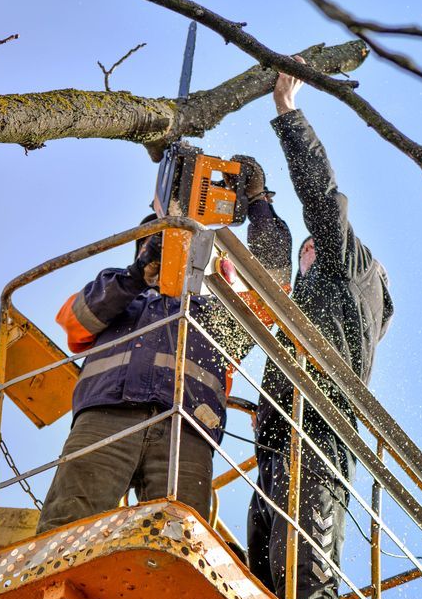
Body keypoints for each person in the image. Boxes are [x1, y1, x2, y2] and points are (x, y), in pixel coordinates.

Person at [36, 163, 291, 534]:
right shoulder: (117, 294)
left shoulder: (218, 314)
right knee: (68, 528)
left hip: (185, 426)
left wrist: (258, 203)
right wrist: (137, 276)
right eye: (159, 243)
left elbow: (273, 288)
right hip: (108, 414)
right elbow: (76, 320)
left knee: (179, 541)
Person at [247, 58, 395, 599]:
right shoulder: (313, 298)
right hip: (279, 436)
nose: (302, 260)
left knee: (304, 580)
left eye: (309, 252)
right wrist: (257, 202)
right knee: (258, 578)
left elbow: (324, 204)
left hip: (319, 435)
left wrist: (288, 114)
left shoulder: (351, 269)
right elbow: (269, 274)